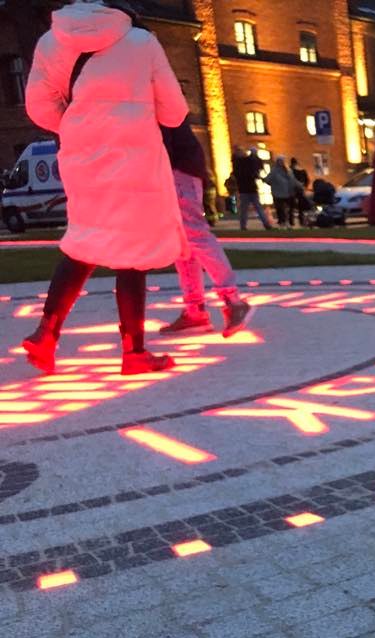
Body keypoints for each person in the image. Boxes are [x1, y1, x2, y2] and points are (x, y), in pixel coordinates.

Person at [21, 0, 185, 376]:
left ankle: (46, 332)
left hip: (81, 156)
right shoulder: (141, 41)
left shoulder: (51, 41)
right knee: (133, 251)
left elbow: (38, 106)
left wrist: (81, 126)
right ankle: (134, 351)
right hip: (135, 156)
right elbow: (174, 112)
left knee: (84, 238)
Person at [159, 116, 253, 335]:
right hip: (176, 166)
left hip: (176, 168)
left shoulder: (153, 101)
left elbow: (161, 139)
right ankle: (195, 309)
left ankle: (233, 301)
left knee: (194, 233)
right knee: (182, 239)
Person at [233, 145, 272, 230]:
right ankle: (265, 224)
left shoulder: (238, 163)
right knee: (256, 207)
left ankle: (244, 226)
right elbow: (254, 172)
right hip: (249, 189)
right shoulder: (245, 163)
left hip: (245, 189)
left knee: (245, 209)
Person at [265, 156, 299, 229]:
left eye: (282, 161)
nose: (281, 162)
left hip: (288, 193)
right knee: (280, 209)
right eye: (279, 161)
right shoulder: (274, 171)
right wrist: (273, 184)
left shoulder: (288, 170)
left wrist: (299, 186)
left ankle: (288, 223)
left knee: (288, 209)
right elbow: (268, 180)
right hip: (278, 194)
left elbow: (293, 180)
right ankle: (282, 222)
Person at [289, 156, 311, 226]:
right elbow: (307, 180)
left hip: (292, 190)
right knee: (300, 206)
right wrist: (304, 187)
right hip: (300, 190)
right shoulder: (302, 170)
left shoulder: (290, 171)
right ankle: (301, 220)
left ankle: (291, 221)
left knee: (292, 206)